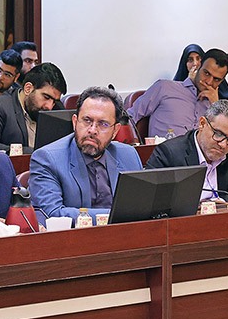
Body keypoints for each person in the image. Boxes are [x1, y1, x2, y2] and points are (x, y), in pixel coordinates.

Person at [28, 86, 142, 221]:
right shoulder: (47, 159)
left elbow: (140, 208)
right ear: (75, 122)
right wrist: (116, 215)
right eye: (87, 120)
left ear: (115, 131)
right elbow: (52, 214)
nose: (92, 130)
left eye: (103, 124)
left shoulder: (129, 155)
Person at [146, 100, 228, 208]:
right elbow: (149, 200)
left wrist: (222, 201)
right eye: (218, 134)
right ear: (202, 124)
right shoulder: (169, 153)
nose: (223, 144)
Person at [130, 48, 228, 138]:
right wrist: (133, 142)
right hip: (164, 152)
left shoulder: (215, 105)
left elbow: (224, 139)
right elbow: (129, 117)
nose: (209, 82)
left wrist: (215, 105)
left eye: (216, 79)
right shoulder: (165, 87)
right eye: (206, 73)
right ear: (198, 66)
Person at [0, 62, 66, 151]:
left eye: (54, 101)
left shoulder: (57, 109)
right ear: (28, 88)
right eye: (46, 97)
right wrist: (35, 153)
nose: (49, 107)